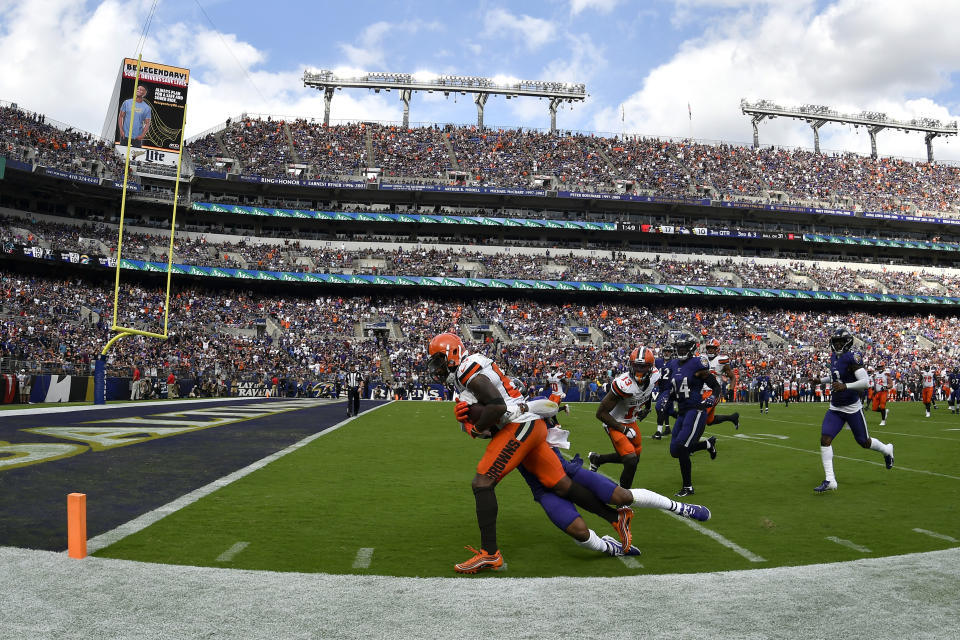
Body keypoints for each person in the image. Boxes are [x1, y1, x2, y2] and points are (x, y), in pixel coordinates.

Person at [427, 332, 711, 574]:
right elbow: (488, 419)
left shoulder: (467, 368)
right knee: (563, 489)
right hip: (525, 431)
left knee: (482, 483)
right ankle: (615, 522)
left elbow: (496, 408)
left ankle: (490, 553)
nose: (437, 367)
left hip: (521, 426)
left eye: (439, 360)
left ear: (452, 353)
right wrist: (475, 426)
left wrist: (477, 421)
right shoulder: (465, 376)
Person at [809, 327, 894, 493]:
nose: (838, 344)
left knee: (864, 442)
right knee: (825, 439)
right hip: (835, 407)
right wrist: (820, 380)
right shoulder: (834, 356)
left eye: (841, 341)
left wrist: (846, 386)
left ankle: (886, 450)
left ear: (847, 342)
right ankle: (830, 480)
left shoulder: (852, 357)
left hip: (852, 407)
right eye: (836, 342)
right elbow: (835, 378)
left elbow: (865, 382)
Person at [588, 346, 658, 488]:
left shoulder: (655, 376)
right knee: (630, 460)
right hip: (615, 422)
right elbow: (600, 413)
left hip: (630, 421)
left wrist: (648, 407)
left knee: (634, 458)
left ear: (650, 367)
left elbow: (648, 391)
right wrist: (623, 429)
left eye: (643, 367)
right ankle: (623, 498)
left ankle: (597, 459)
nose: (639, 370)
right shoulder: (623, 384)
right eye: (636, 366)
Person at [668, 332, 722, 497]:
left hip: (696, 409)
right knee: (674, 450)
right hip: (683, 411)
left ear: (691, 348)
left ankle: (688, 487)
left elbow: (716, 386)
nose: (681, 350)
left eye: (684, 347)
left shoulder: (698, 363)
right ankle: (708, 444)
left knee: (683, 447)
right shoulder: (673, 365)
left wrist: (712, 399)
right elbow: (674, 389)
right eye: (679, 347)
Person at [704, 338, 740, 429]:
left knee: (700, 416)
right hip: (700, 391)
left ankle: (695, 442)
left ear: (717, 349)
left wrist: (731, 390)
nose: (710, 350)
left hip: (713, 392)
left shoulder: (721, 360)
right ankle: (732, 418)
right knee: (709, 420)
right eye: (708, 348)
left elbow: (732, 377)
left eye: (712, 348)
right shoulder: (702, 358)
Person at [651, 343, 676, 439]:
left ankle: (658, 431)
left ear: (672, 353)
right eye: (665, 351)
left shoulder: (674, 362)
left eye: (669, 351)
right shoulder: (658, 361)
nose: (667, 353)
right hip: (661, 389)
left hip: (669, 389)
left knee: (659, 407)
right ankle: (670, 427)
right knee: (669, 412)